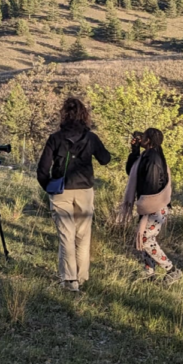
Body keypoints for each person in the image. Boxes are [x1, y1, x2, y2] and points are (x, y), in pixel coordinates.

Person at [37, 97, 111, 293]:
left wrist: (49, 188)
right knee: (83, 235)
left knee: (66, 235)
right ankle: (82, 277)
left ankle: (70, 281)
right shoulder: (91, 138)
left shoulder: (55, 138)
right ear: (84, 115)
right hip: (85, 190)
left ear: (64, 114)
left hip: (61, 190)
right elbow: (105, 159)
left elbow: (42, 168)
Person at [119, 128, 181, 284]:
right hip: (150, 204)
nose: (141, 139)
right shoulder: (148, 155)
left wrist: (145, 208)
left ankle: (171, 270)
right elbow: (131, 171)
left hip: (153, 205)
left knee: (145, 238)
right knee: (147, 237)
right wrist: (134, 150)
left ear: (148, 141)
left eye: (143, 137)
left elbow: (151, 185)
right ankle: (148, 273)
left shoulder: (152, 158)